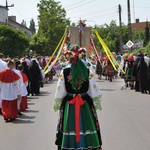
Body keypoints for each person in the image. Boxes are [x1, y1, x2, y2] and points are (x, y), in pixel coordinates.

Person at [53, 45, 102, 150]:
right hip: (85, 102)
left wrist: (59, 101)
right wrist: (94, 100)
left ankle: (70, 145)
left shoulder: (64, 71)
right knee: (87, 123)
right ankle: (87, 144)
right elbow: (93, 89)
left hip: (69, 103)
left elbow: (60, 90)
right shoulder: (88, 70)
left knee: (69, 124)